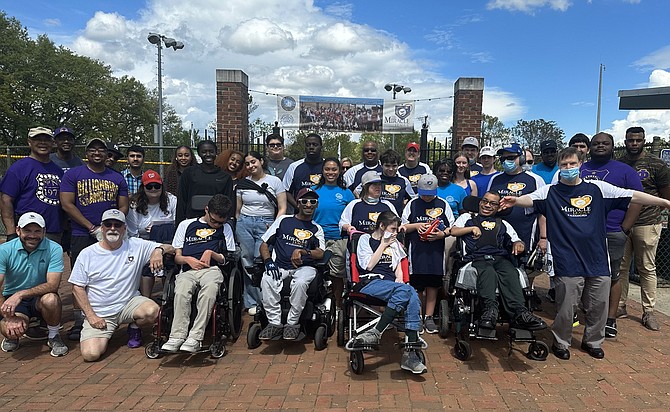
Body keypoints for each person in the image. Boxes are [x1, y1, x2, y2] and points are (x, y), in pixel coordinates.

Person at [500, 147, 670, 360]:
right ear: (559, 168)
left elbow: (632, 195)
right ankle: (561, 342)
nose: (568, 168)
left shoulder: (598, 189)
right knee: (566, 305)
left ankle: (593, 341)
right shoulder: (551, 191)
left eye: (572, 164)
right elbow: (529, 199)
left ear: (581, 164)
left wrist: (664, 202)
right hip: (567, 259)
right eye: (564, 165)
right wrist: (514, 200)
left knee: (598, 304)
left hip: (597, 258)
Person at [69, 209, 174, 361]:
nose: (113, 228)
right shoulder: (87, 254)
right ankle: (106, 331)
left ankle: (134, 326)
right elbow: (77, 288)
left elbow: (170, 247)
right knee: (90, 355)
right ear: (102, 227)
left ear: (124, 228)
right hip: (100, 312)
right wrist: (91, 316)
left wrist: (158, 251)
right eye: (108, 224)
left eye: (117, 225)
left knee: (153, 311)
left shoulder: (135, 245)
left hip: (128, 304)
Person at [60, 137, 130, 340]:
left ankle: (114, 314)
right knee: (80, 278)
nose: (97, 153)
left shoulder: (116, 177)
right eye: (93, 149)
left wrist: (111, 226)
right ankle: (79, 321)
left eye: (101, 149)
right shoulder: (74, 174)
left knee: (112, 272)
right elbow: (67, 204)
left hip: (110, 233)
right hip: (82, 233)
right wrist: (91, 227)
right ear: (86, 152)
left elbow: (123, 206)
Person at [451, 192, 547, 331]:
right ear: (480, 202)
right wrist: (471, 228)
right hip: (477, 257)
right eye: (485, 201)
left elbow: (516, 239)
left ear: (498, 207)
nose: (487, 205)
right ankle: (489, 310)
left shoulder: (503, 223)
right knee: (488, 272)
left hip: (500, 257)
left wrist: (519, 244)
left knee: (510, 272)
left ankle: (520, 312)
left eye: (493, 203)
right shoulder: (467, 218)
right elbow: (453, 231)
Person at [580, 132, 642, 338]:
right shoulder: (580, 169)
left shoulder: (625, 171)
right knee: (585, 274)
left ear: (613, 146)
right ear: (589, 147)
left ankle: (610, 319)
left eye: (605, 143)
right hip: (585, 233)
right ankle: (590, 314)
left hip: (613, 231)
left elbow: (636, 200)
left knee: (613, 275)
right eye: (596, 143)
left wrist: (624, 227)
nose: (600, 146)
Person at [351, 211, 427, 374]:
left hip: (392, 286)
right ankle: (409, 355)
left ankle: (379, 333)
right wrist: (383, 244)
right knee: (409, 292)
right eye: (393, 229)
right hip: (370, 282)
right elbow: (368, 266)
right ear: (382, 226)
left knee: (409, 291)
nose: (395, 232)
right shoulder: (365, 240)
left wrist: (400, 279)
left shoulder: (395, 244)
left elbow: (399, 267)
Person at [160, 195, 235, 353]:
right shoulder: (186, 225)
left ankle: (195, 336)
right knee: (181, 291)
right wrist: (188, 260)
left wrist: (212, 253)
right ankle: (177, 336)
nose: (216, 225)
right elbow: (177, 256)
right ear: (206, 210)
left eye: (220, 222)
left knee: (209, 292)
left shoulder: (225, 228)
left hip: (212, 270)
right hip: (188, 269)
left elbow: (229, 258)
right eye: (213, 221)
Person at [617, 126, 670, 331]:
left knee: (646, 267)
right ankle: (620, 305)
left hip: (647, 222)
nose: (634, 144)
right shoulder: (619, 164)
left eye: (638, 140)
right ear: (625, 141)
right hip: (622, 223)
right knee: (621, 267)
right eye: (630, 140)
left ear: (644, 140)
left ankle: (648, 311)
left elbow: (665, 196)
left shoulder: (656, 165)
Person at [258, 188, 325, 341]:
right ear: (298, 204)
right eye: (304, 201)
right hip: (280, 265)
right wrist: (268, 262)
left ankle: (292, 323)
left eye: (312, 202)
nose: (308, 204)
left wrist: (304, 251)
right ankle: (274, 323)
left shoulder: (316, 228)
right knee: (267, 279)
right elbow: (264, 244)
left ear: (316, 205)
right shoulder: (284, 221)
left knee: (300, 283)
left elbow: (321, 252)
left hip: (305, 267)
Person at [0, 212, 68, 357]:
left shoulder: (54, 248)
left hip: (39, 297)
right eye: (27, 230)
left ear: (44, 231)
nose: (32, 235)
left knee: (51, 299)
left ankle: (54, 336)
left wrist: (20, 294)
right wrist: (8, 317)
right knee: (10, 329)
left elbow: (53, 285)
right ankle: (13, 335)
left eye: (37, 231)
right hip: (14, 301)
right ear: (18, 230)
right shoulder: (4, 250)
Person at [236, 151, 287, 315]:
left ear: (261, 161)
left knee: (261, 261)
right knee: (247, 261)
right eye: (248, 164)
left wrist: (273, 227)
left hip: (266, 224)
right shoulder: (242, 184)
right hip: (245, 222)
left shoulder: (275, 181)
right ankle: (251, 301)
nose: (251, 166)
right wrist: (240, 223)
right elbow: (237, 209)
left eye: (253, 162)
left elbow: (282, 208)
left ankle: (265, 299)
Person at [402, 175, 454, 334]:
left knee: (433, 284)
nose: (427, 196)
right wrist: (417, 226)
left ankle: (429, 317)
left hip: (436, 251)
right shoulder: (413, 204)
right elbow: (403, 226)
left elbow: (452, 228)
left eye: (430, 193)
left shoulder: (443, 204)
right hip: (417, 250)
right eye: (424, 193)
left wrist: (441, 234)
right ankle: (416, 316)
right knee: (417, 284)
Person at [1, 127, 64, 242]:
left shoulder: (58, 170)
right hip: (27, 231)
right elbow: (6, 200)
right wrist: (11, 232)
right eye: (38, 139)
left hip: (53, 231)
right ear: (29, 142)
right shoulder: (19, 168)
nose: (43, 143)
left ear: (52, 143)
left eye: (46, 139)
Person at [487, 143, 546, 255]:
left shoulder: (535, 180)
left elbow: (543, 212)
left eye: (511, 157)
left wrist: (543, 237)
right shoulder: (495, 179)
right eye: (503, 158)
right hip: (498, 235)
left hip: (525, 234)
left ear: (522, 158)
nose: (506, 161)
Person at [127, 170, 177, 297]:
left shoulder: (172, 200)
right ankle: (145, 298)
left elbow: (178, 226)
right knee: (147, 268)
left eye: (157, 186)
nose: (153, 189)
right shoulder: (134, 205)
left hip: (168, 243)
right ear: (143, 188)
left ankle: (169, 297)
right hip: (144, 244)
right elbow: (133, 233)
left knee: (170, 263)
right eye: (149, 186)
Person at [312, 158, 355, 308]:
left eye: (334, 169)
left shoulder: (346, 193)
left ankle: (338, 306)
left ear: (339, 171)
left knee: (337, 276)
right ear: (322, 171)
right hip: (317, 239)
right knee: (316, 274)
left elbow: (352, 216)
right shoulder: (313, 191)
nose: (331, 172)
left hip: (339, 239)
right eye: (327, 169)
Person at [176, 140, 234, 225]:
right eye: (204, 152)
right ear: (199, 153)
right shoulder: (189, 173)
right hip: (193, 219)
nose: (208, 154)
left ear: (216, 152)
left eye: (211, 151)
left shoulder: (225, 177)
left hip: (216, 221)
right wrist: (179, 224)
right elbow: (182, 200)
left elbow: (228, 203)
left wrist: (227, 223)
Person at [339, 171, 397, 235]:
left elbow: (397, 223)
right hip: (359, 243)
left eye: (379, 184)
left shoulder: (387, 205)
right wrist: (348, 227)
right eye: (374, 184)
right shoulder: (354, 204)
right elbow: (343, 223)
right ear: (365, 186)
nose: (378, 187)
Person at [282, 133, 324, 209]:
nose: (311, 147)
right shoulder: (294, 167)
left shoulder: (328, 167)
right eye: (308, 145)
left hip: (323, 214)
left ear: (321, 147)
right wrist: (298, 207)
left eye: (315, 144)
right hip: (301, 215)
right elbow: (286, 191)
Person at [378, 149, 415, 215]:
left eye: (394, 166)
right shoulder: (376, 179)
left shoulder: (403, 181)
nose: (391, 169)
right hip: (377, 219)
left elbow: (413, 199)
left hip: (396, 220)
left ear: (398, 165)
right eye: (387, 166)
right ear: (381, 165)